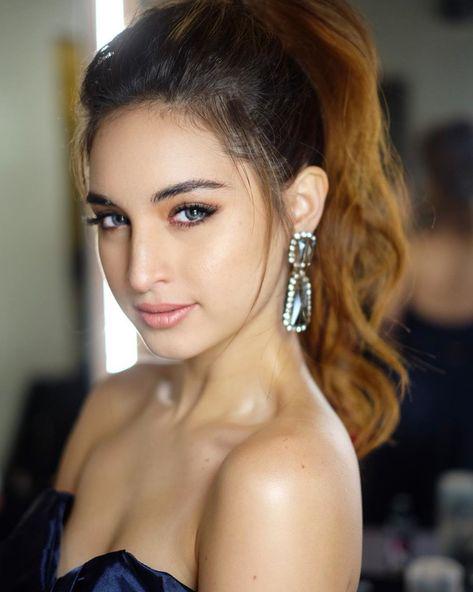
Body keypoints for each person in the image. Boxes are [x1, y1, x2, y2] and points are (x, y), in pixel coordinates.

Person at [0, 0, 411, 590]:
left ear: (300, 206)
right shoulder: (114, 404)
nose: (140, 271)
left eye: (190, 211)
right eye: (113, 219)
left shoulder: (281, 479)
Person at [361, 119, 473, 528]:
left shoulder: (414, 251)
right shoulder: (414, 246)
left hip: (418, 403)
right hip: (460, 405)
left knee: (400, 517)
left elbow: (384, 329)